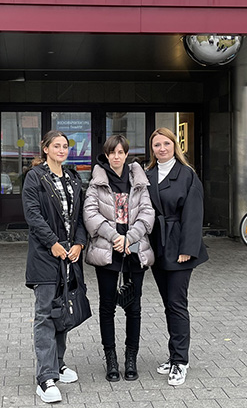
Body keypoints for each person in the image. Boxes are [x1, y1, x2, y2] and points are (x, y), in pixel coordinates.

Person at [22, 130, 88, 404]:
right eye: (56, 146)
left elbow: (80, 216)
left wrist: (80, 243)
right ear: (45, 148)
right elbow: (33, 215)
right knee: (45, 315)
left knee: (63, 312)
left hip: (70, 257)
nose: (62, 150)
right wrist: (53, 243)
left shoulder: (72, 178)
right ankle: (45, 378)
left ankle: (58, 365)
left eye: (65, 146)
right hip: (46, 256)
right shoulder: (35, 177)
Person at [83, 135, 155, 382]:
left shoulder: (139, 180)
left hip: (134, 250)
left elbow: (147, 213)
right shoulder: (97, 182)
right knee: (107, 307)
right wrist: (115, 237)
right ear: (106, 155)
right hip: (108, 248)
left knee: (134, 307)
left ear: (126, 154)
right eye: (112, 152)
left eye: (121, 152)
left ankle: (131, 358)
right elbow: (90, 213)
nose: (116, 156)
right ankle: (111, 359)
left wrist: (130, 238)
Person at [146, 128, 208, 386]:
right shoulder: (147, 174)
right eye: (157, 144)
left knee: (177, 303)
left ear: (175, 145)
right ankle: (174, 356)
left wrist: (188, 249)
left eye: (166, 143)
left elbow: (194, 214)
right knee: (168, 303)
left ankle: (180, 361)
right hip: (157, 247)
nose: (162, 148)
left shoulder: (187, 175)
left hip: (179, 247)